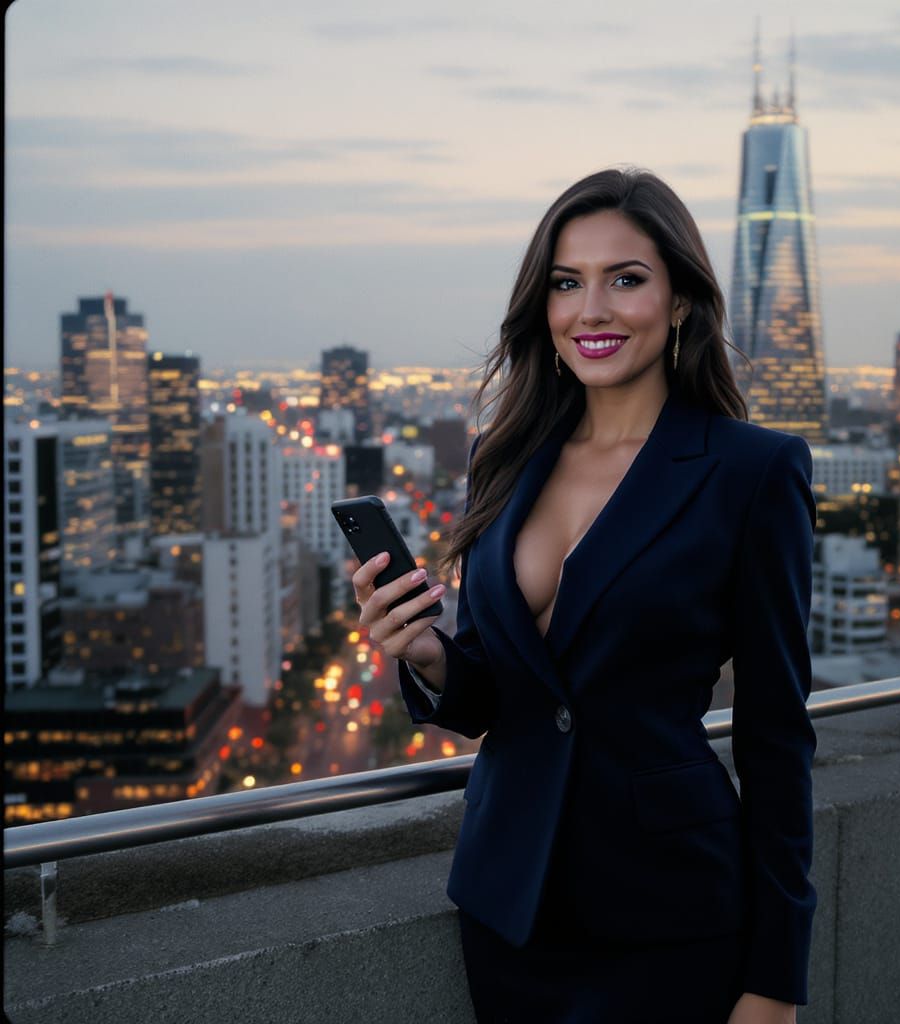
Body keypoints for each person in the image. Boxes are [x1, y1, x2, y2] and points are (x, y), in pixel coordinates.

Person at [350, 168, 817, 1024]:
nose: (590, 309)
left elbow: (777, 733)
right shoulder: (505, 457)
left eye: (625, 279)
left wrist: (776, 978)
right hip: (507, 905)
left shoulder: (752, 471)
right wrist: (425, 653)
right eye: (567, 283)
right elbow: (505, 693)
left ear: (679, 301)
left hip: (670, 912)